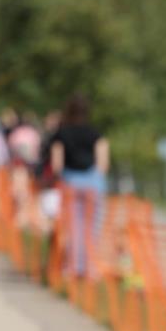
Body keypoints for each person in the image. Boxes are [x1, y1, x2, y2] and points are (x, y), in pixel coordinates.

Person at [50, 95, 110, 278]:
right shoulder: (96, 134)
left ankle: (73, 267)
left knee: (73, 227)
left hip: (70, 183)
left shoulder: (61, 134)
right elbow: (103, 164)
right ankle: (90, 268)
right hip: (93, 184)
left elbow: (57, 165)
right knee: (92, 228)